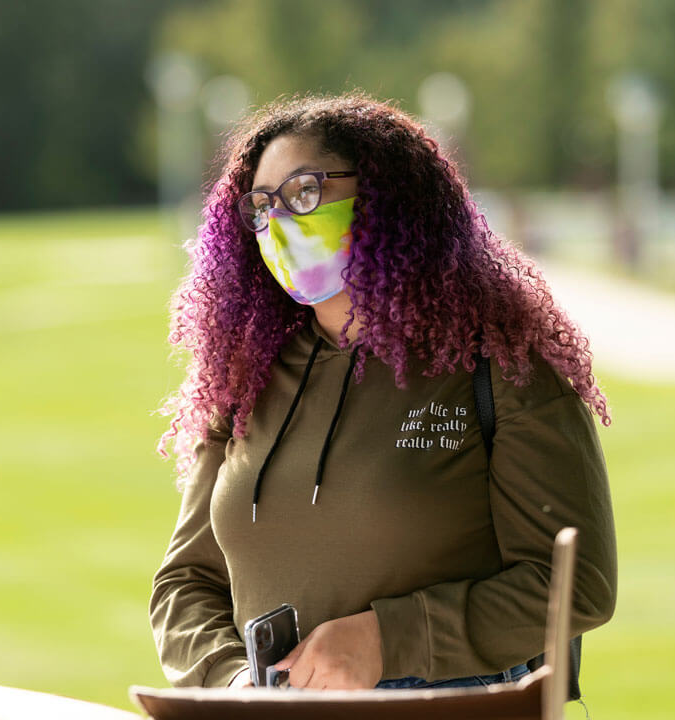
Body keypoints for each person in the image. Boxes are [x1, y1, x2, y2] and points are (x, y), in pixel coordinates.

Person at [150, 92, 616, 691]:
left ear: (385, 200)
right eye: (262, 206)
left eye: (305, 193)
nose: (279, 223)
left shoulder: (499, 364)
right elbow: (185, 584)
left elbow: (578, 585)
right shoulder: (247, 378)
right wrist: (234, 682)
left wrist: (388, 640)